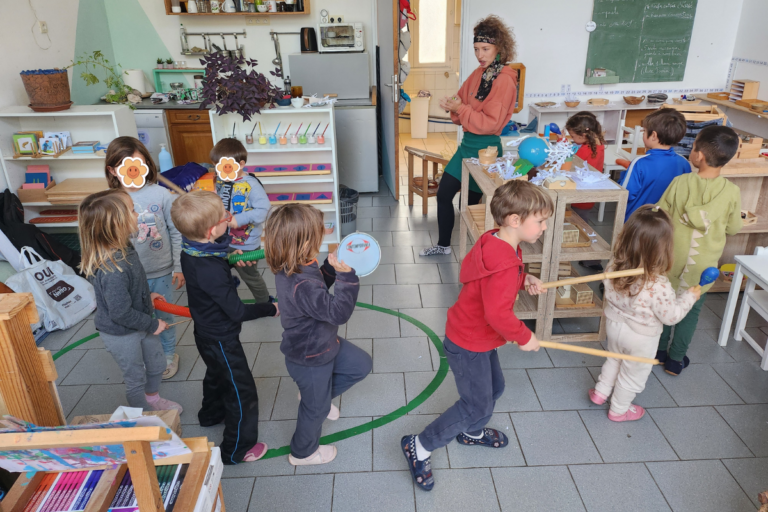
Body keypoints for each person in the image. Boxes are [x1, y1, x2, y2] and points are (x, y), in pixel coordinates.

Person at [403, 180, 551, 491]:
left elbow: (496, 276)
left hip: (475, 337)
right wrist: (525, 337)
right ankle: (420, 445)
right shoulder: (505, 262)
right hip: (469, 342)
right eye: (540, 221)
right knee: (476, 405)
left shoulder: (495, 241)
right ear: (514, 220)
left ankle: (470, 432)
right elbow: (498, 314)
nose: (545, 226)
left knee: (494, 388)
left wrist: (524, 278)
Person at [171, 191, 278, 464]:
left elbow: (214, 257)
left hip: (205, 332)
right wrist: (270, 307)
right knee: (241, 390)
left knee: (216, 373)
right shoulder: (209, 267)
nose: (229, 219)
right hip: (222, 336)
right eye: (224, 217)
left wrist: (231, 255)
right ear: (211, 231)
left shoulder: (192, 247)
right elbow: (238, 311)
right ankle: (237, 449)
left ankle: (210, 415)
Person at [264, 204, 372, 466]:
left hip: (322, 344)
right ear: (305, 242)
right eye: (319, 231)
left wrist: (330, 268)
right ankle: (303, 452)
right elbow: (337, 313)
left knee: (360, 365)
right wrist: (347, 279)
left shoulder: (295, 265)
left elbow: (317, 287)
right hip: (311, 356)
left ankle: (315, 396)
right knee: (316, 410)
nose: (324, 233)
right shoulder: (302, 283)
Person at [589, 206, 700, 421]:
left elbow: (608, 290)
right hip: (641, 338)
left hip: (614, 325)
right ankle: (619, 410)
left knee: (614, 358)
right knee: (632, 374)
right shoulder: (658, 285)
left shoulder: (613, 266)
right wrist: (689, 298)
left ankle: (601, 392)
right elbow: (671, 317)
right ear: (663, 249)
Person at [420, 15, 518, 257]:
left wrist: (460, 109)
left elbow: (489, 124)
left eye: (486, 49)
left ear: (500, 48)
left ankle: (473, 251)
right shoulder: (478, 73)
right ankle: (443, 246)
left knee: (470, 206)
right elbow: (461, 100)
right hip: (467, 146)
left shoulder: (504, 80)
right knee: (443, 195)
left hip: (486, 151)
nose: (480, 55)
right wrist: (453, 104)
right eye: (476, 49)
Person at [79, 189, 182, 414]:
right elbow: (120, 313)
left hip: (141, 320)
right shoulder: (112, 269)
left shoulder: (126, 246)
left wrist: (148, 295)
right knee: (135, 377)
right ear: (116, 223)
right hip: (121, 333)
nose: (138, 214)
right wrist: (153, 324)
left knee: (156, 365)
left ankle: (152, 399)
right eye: (133, 210)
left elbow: (135, 282)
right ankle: (143, 417)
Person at [656, 125, 742, 376]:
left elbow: (660, 215)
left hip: (671, 258)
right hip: (703, 268)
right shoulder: (731, 192)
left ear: (699, 155)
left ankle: (658, 351)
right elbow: (735, 228)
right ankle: (675, 360)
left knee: (664, 303)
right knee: (690, 311)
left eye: (693, 148)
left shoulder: (680, 182)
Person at [105, 137, 184, 380]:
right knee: (139, 317)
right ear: (112, 170)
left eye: (138, 164)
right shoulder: (110, 201)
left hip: (161, 270)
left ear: (147, 165)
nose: (132, 170)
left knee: (164, 316)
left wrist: (179, 267)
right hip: (128, 275)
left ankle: (169, 355)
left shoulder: (161, 195)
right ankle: (150, 356)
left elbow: (176, 231)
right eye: (125, 165)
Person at [211, 138, 271, 304]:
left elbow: (263, 210)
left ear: (241, 164)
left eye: (226, 166)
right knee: (219, 273)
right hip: (222, 240)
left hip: (245, 243)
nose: (221, 170)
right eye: (218, 166)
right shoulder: (222, 180)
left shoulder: (251, 185)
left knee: (251, 276)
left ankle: (265, 303)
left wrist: (238, 219)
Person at [620, 108, 691, 221]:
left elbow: (625, 193)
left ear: (653, 135)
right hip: (666, 222)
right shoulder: (684, 162)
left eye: (644, 130)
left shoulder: (640, 163)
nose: (643, 134)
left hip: (637, 221)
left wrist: (623, 175)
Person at [566, 112, 605, 211]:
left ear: (583, 135)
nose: (572, 139)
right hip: (589, 193)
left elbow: (571, 164)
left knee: (579, 218)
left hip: (580, 195)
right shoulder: (597, 145)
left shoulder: (587, 149)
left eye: (572, 136)